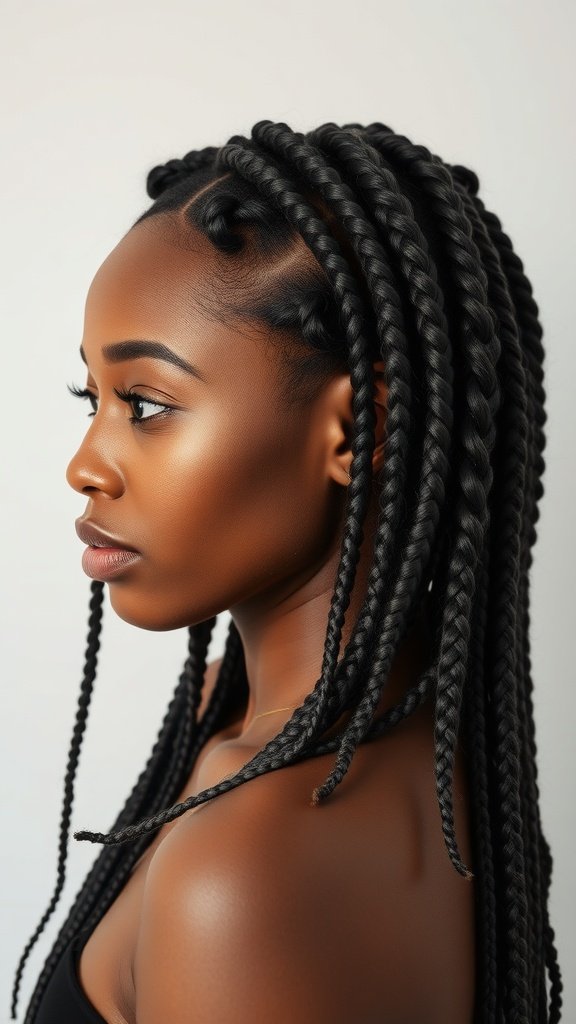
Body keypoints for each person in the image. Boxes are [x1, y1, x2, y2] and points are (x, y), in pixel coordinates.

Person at [11, 119, 562, 1024]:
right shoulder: (389, 722)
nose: (86, 463)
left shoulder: (245, 864)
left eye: (144, 403)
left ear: (355, 429)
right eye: (93, 398)